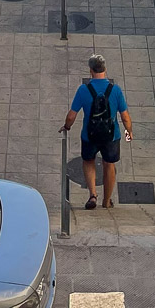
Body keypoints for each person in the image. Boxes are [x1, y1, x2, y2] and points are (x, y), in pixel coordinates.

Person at [60, 54, 131, 209]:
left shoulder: (84, 90)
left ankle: (93, 195)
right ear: (105, 69)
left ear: (90, 70)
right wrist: (128, 132)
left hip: (89, 134)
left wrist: (66, 127)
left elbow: (72, 115)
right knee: (109, 165)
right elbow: (125, 117)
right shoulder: (115, 90)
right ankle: (107, 201)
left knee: (88, 161)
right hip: (111, 135)